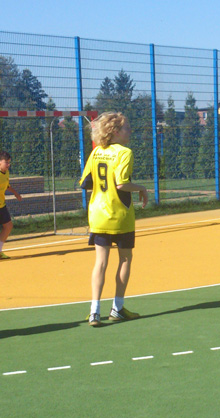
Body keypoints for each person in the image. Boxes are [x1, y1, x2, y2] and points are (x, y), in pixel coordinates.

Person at [78, 112, 148, 327]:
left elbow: (85, 182)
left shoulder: (97, 151)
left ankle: (94, 312)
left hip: (98, 215)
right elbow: (121, 184)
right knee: (125, 259)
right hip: (120, 214)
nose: (130, 131)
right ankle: (117, 308)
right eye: (126, 128)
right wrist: (142, 188)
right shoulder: (125, 152)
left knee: (100, 263)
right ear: (115, 131)